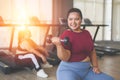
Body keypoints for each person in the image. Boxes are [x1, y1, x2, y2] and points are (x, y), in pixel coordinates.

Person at [51, 8, 114, 80]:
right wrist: (59, 45)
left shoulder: (86, 33)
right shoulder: (66, 35)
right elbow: (65, 58)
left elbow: (92, 51)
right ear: (67, 20)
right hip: (69, 70)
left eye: (76, 19)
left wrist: (95, 66)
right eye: (70, 19)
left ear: (81, 20)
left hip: (87, 70)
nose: (73, 22)